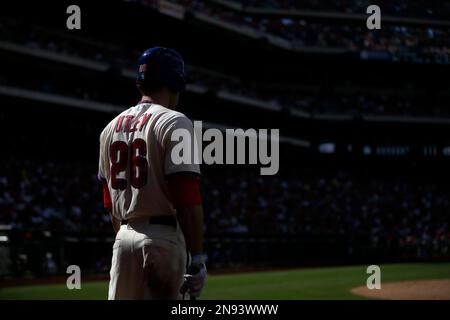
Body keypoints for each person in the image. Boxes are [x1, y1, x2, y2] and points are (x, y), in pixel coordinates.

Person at [98, 47, 207, 300]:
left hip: (123, 238)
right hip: (163, 239)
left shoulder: (109, 128)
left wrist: (127, 236)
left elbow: (109, 203)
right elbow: (186, 197)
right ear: (175, 82)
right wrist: (198, 258)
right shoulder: (174, 121)